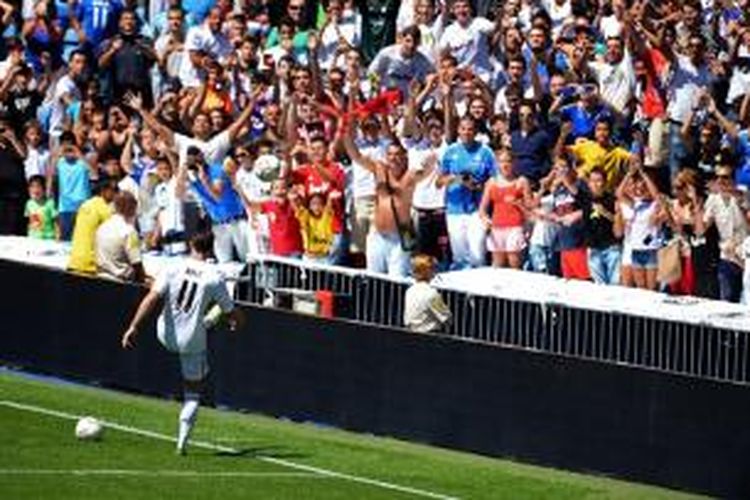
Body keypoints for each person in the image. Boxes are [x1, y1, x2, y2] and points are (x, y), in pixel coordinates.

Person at [121, 232, 243, 455]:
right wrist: (236, 321)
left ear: (190, 245)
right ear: (211, 248)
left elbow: (151, 298)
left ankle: (205, 321)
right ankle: (181, 444)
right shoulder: (215, 276)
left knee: (198, 319)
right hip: (192, 341)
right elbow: (234, 314)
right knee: (193, 392)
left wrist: (133, 327)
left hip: (165, 334)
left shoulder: (172, 266)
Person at [67, 178, 118, 274]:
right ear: (104, 191)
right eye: (114, 190)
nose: (117, 193)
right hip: (91, 265)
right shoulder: (106, 210)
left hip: (74, 261)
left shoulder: (84, 205)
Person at [95, 191, 148, 283]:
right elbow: (136, 263)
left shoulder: (102, 227)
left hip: (100, 278)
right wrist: (144, 281)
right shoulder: (129, 232)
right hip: (121, 283)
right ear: (132, 208)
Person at [403, 253, 451, 333]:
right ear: (429, 271)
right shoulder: (431, 293)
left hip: (411, 333)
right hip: (429, 335)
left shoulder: (409, 291)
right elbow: (446, 317)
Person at [25, 174, 58, 240]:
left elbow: (56, 221)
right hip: (33, 237)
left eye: (38, 186)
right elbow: (29, 221)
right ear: (29, 189)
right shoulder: (29, 203)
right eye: (32, 187)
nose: (35, 189)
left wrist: (57, 235)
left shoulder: (50, 203)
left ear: (44, 189)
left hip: (48, 238)